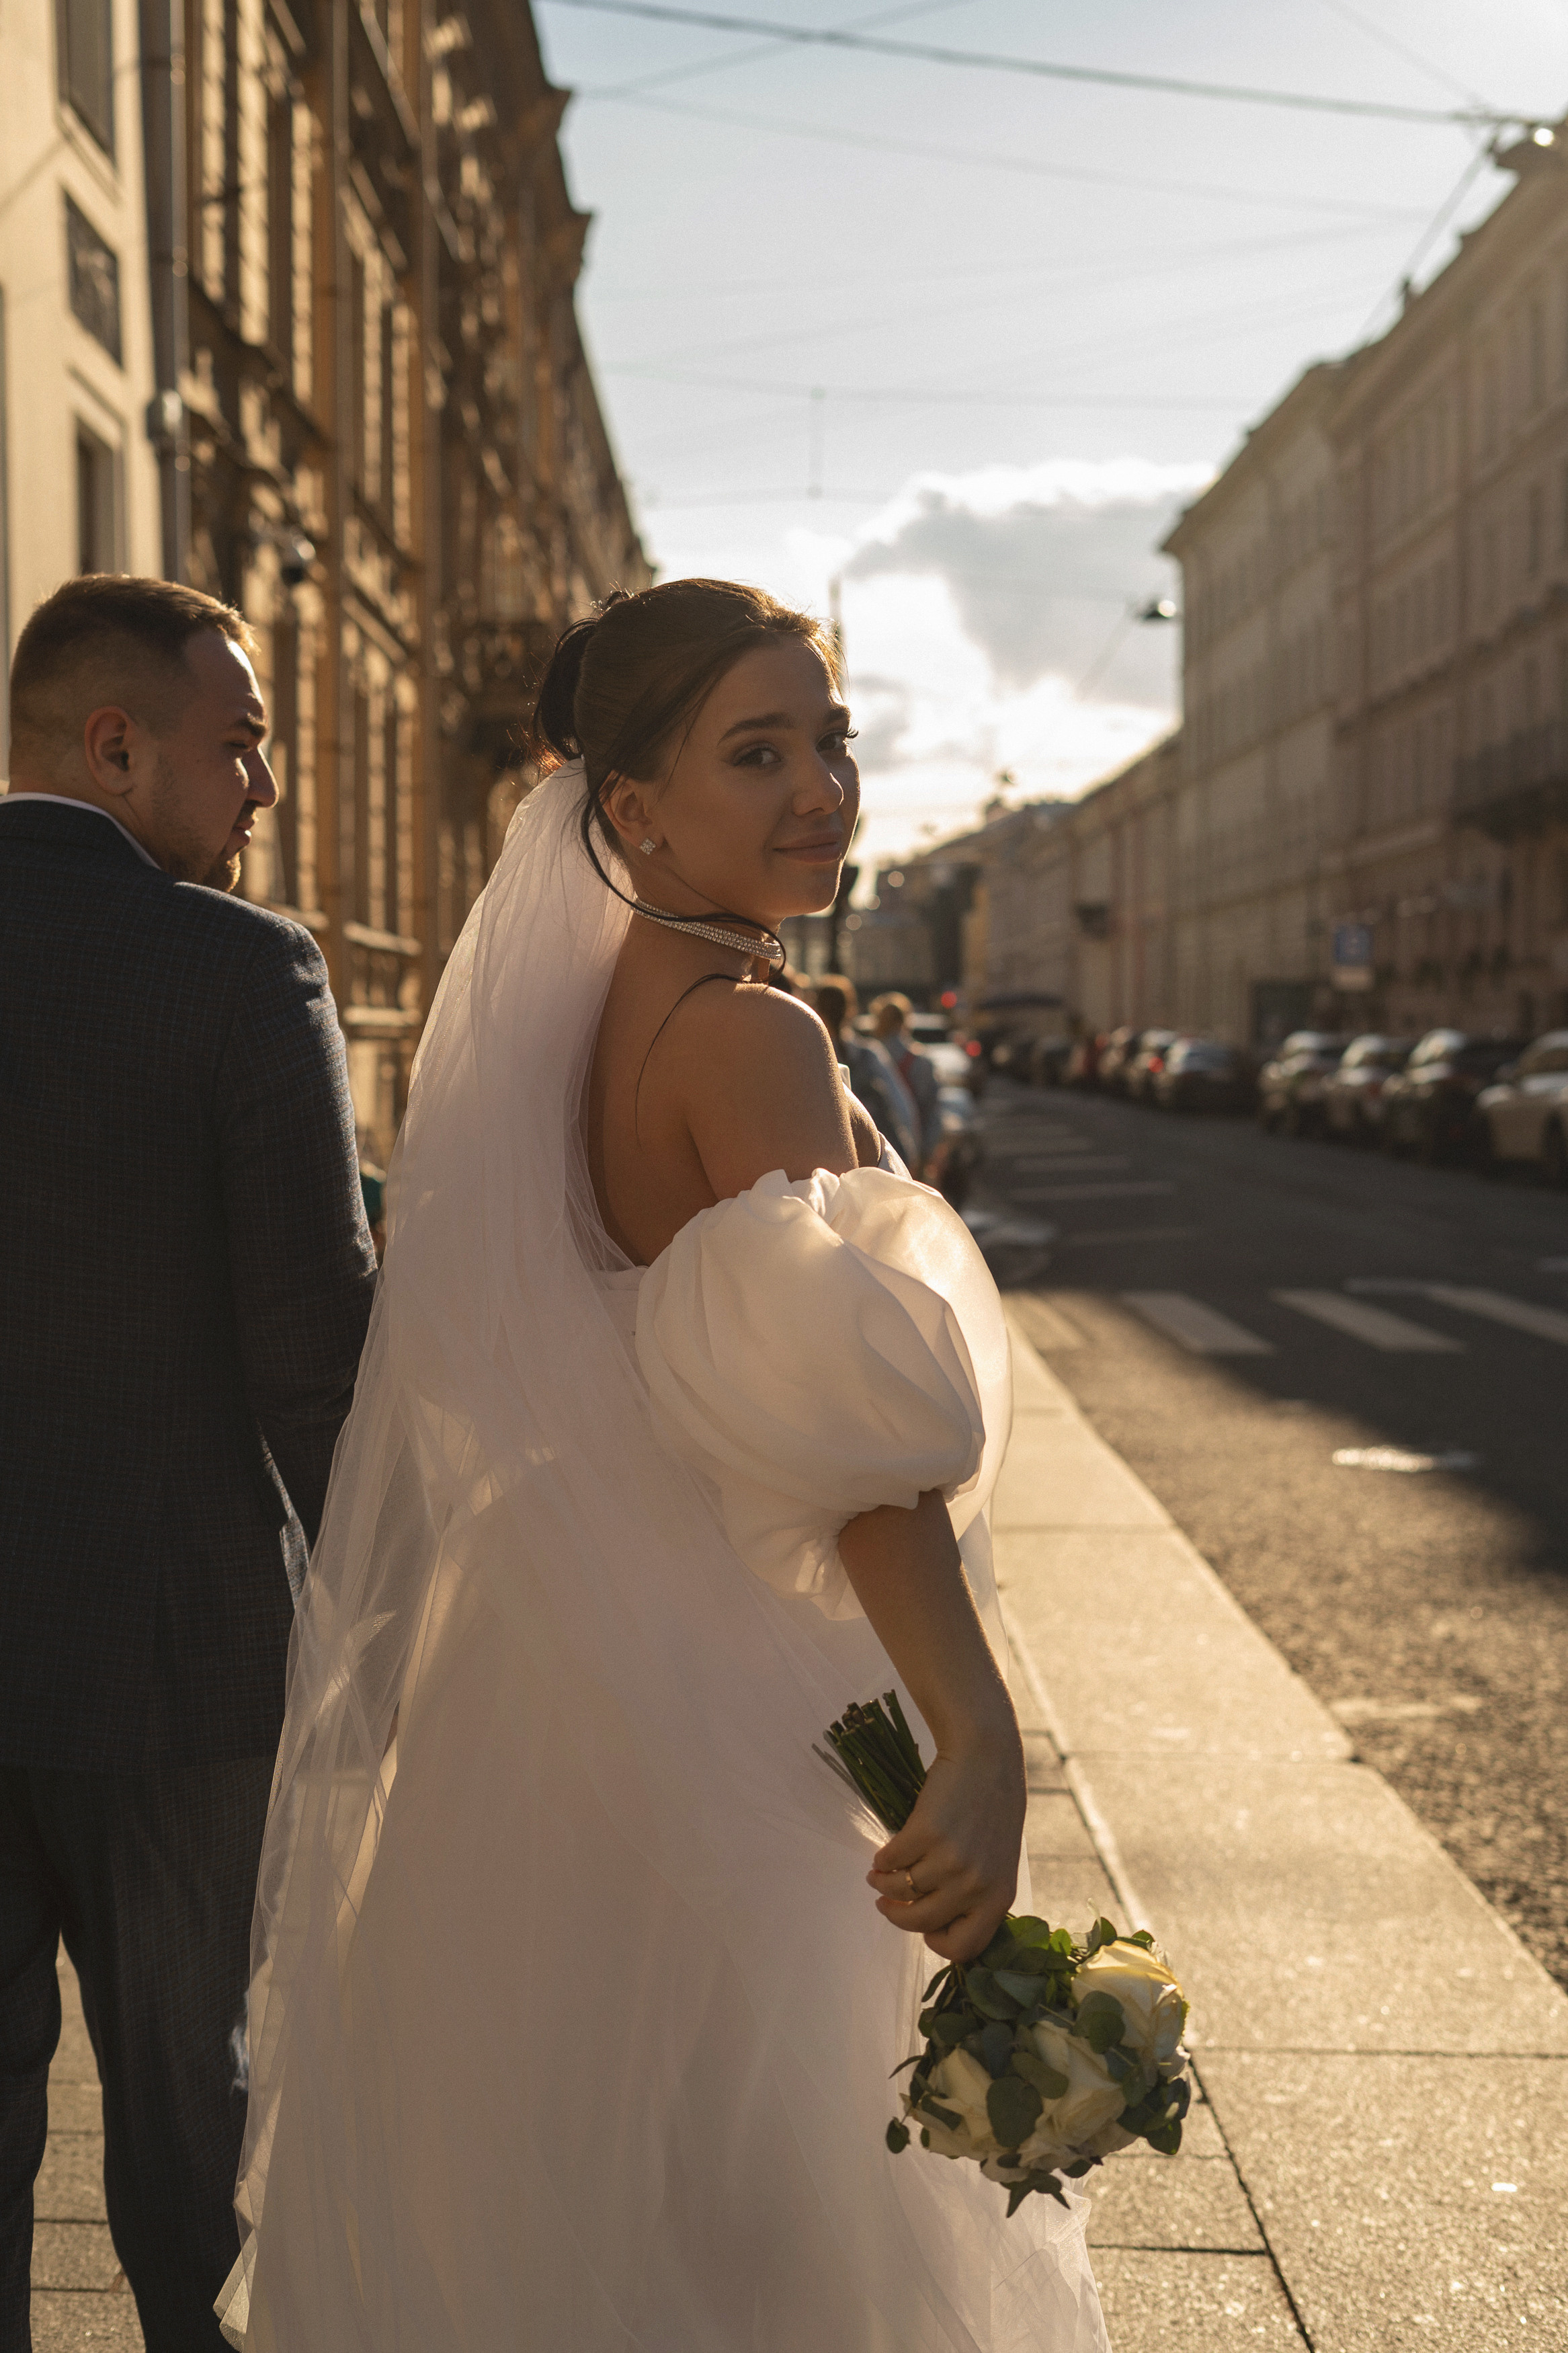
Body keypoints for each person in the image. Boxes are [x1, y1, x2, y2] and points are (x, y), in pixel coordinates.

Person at [218, 580, 1107, 2351]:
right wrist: (980, 1736)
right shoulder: (748, 1034)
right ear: (632, 809)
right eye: (756, 751)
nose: (820, 789)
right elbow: (849, 1450)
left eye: (832, 740)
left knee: (582, 2205)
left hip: (549, 1680)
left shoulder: (591, 1023)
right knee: (778, 2231)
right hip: (732, 1694)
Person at [0, 575, 379, 2350]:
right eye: (239, 746)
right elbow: (318, 1351)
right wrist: (423, 1601)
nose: (262, 790)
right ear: (115, 744)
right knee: (183, 2135)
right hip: (175, 1667)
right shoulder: (240, 968)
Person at [812, 970, 920, 1168]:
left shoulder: (812, 1056)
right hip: (871, 1164)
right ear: (850, 1010)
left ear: (816, 1010)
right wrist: (909, 1156)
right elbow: (902, 1107)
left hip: (827, 1167)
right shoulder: (869, 1054)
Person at [873, 990, 944, 1170]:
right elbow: (934, 1112)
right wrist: (925, 1153)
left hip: (876, 1153)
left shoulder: (869, 1058)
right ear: (905, 1020)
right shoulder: (921, 1061)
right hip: (914, 1149)